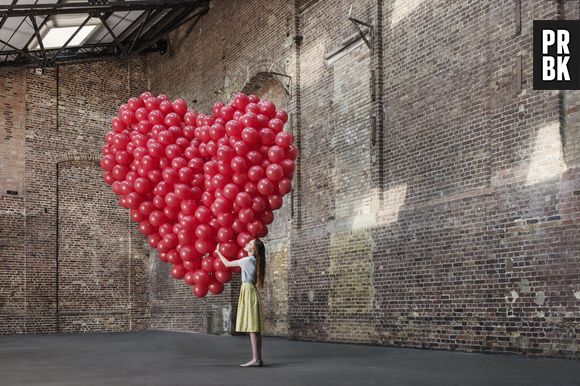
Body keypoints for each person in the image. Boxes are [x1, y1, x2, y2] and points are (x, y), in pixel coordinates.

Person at [215, 239, 266, 367]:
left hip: (248, 290)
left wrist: (218, 252)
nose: (246, 244)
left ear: (253, 249)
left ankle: (255, 359)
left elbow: (227, 264)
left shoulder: (247, 260)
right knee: (255, 328)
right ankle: (258, 358)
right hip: (251, 290)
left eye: (250, 244)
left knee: (252, 328)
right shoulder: (255, 261)